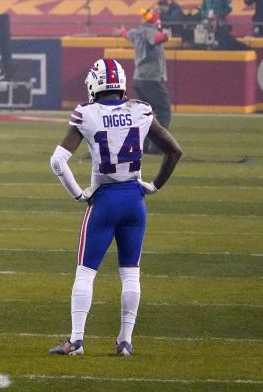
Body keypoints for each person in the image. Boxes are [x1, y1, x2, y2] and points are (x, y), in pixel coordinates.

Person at [48, 58, 182, 357]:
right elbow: (175, 150)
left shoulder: (87, 113)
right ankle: (125, 341)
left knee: (85, 272)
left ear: (95, 83)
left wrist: (78, 194)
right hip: (135, 200)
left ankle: (77, 341)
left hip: (105, 200)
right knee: (130, 273)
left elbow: (57, 161)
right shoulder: (141, 109)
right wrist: (154, 185)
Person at [122, 9, 171, 153]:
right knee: (163, 111)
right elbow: (155, 39)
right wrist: (166, 36)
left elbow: (127, 35)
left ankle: (142, 145)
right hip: (151, 79)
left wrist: (122, 32)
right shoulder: (150, 31)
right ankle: (157, 146)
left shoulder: (135, 32)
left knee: (145, 113)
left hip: (139, 78)